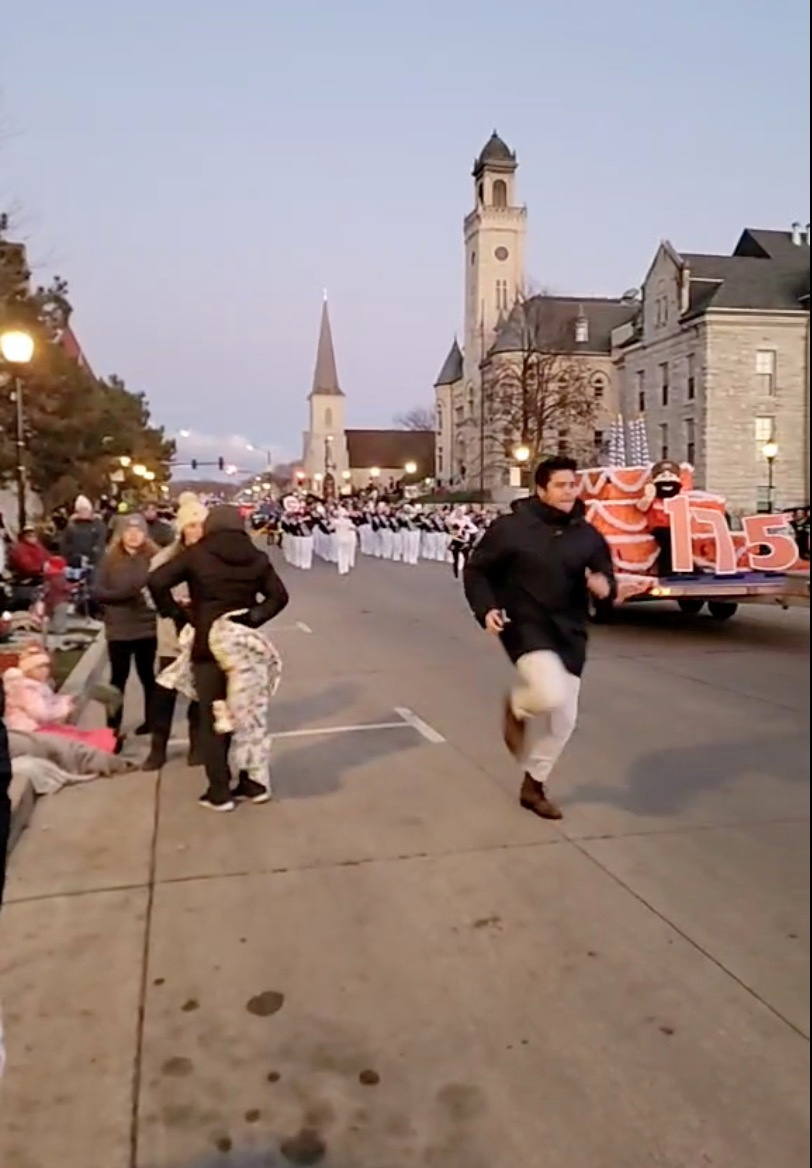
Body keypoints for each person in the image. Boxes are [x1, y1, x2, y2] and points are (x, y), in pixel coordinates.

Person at [463, 456, 615, 820]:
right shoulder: (511, 528)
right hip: (525, 623)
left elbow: (606, 575)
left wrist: (604, 586)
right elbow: (477, 570)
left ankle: (534, 785)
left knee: (564, 720)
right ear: (542, 489)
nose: (569, 492)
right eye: (561, 485)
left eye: (573, 485)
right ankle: (517, 706)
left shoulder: (587, 533)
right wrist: (486, 608)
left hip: (570, 630)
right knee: (547, 692)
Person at [149, 505, 289, 811]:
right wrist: (251, 618)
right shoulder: (256, 557)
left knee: (214, 716)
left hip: (207, 646)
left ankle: (219, 790)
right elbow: (279, 596)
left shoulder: (197, 554)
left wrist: (178, 614)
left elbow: (157, 581)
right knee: (247, 713)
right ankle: (253, 784)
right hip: (243, 646)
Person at [142, 494, 207, 771]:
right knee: (164, 695)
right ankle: (158, 749)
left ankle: (197, 747)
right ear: (181, 529)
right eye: (190, 526)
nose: (196, 531)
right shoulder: (165, 558)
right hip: (172, 637)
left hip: (202, 636)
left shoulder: (211, 557)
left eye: (200, 525)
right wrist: (174, 605)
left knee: (198, 694)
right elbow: (149, 593)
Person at [93, 514, 158, 740]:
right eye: (129, 531)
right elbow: (98, 591)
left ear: (145, 534)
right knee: (117, 680)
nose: (133, 535)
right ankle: (112, 730)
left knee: (148, 677)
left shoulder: (154, 557)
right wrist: (124, 595)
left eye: (138, 531)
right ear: (121, 534)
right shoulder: (109, 559)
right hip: (119, 630)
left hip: (146, 628)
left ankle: (152, 721)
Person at [2, 643, 118, 752]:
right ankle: (105, 744)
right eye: (39, 667)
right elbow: (43, 714)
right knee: (71, 738)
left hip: (36, 727)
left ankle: (107, 740)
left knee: (72, 734)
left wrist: (64, 700)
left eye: (46, 667)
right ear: (29, 670)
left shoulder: (35, 685)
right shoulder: (27, 689)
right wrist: (65, 707)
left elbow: (48, 704)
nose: (45, 671)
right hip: (30, 730)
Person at [60, 495, 107, 569]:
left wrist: (92, 559)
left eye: (85, 509)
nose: (83, 512)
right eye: (80, 509)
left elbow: (100, 544)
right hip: (73, 563)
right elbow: (65, 544)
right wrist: (71, 558)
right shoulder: (71, 526)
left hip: (93, 564)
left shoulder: (98, 525)